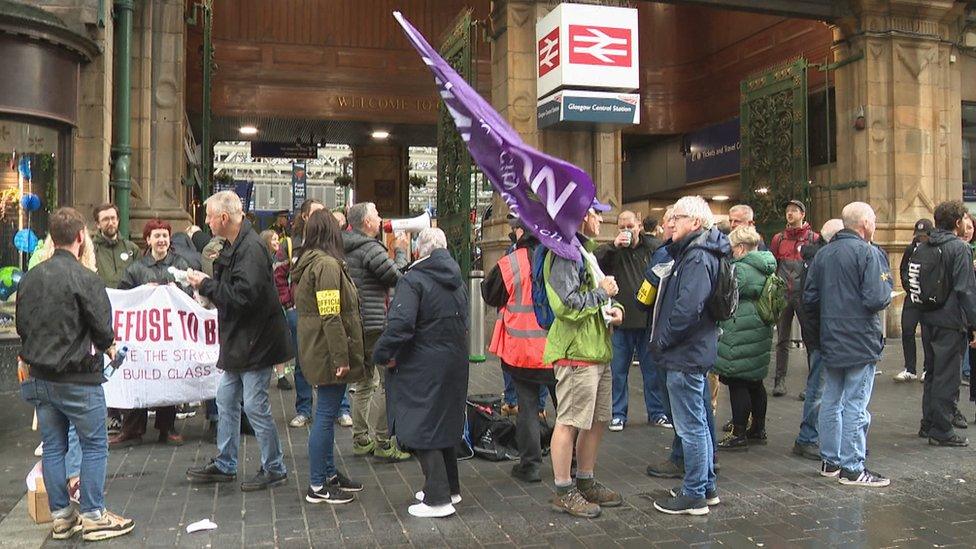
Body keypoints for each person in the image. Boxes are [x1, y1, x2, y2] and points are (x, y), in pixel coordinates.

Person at [18, 207, 135, 541]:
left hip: (40, 376)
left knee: (53, 447)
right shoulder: (86, 278)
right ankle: (94, 515)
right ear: (82, 236)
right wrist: (112, 347)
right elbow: (101, 327)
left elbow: (23, 326)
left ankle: (61, 517)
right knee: (94, 444)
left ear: (52, 238)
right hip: (77, 378)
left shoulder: (31, 278)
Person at [185, 191, 293, 491]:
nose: (206, 222)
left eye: (208, 216)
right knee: (226, 399)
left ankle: (274, 467)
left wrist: (206, 285)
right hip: (243, 341)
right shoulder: (239, 245)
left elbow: (243, 297)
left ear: (223, 218)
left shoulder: (251, 249)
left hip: (254, 342)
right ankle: (226, 462)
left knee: (255, 405)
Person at [372, 228, 469, 518]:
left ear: (419, 251)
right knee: (444, 423)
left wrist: (382, 354)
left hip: (421, 364)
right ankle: (450, 488)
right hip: (453, 361)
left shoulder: (413, 280)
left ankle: (438, 499)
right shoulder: (457, 279)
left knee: (421, 424)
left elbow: (401, 325)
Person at [545, 199, 624, 519]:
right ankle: (564, 490)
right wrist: (603, 293)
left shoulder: (584, 252)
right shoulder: (565, 254)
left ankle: (585, 481)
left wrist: (613, 311)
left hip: (595, 350)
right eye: (595, 213)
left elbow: (590, 300)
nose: (600, 219)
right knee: (570, 421)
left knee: (596, 419)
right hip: (577, 353)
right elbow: (566, 306)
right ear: (579, 217)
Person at [650, 196, 728, 516]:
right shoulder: (699, 251)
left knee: (691, 426)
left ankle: (694, 492)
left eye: (677, 218)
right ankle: (705, 486)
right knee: (696, 421)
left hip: (685, 352)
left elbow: (687, 308)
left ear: (695, 223)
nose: (671, 223)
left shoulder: (696, 257)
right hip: (692, 350)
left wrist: (663, 340)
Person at [805, 202, 892, 486]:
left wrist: (818, 335)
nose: (875, 224)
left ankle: (830, 461)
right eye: (875, 220)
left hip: (831, 337)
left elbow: (810, 300)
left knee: (832, 398)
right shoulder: (869, 253)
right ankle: (853, 467)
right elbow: (876, 298)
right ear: (865, 223)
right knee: (856, 403)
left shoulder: (823, 254)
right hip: (860, 339)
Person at [292, 210, 366, 505]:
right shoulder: (326, 266)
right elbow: (331, 314)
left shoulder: (311, 262)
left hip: (317, 347)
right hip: (328, 351)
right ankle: (318, 485)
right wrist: (341, 357)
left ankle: (329, 474)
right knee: (325, 416)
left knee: (326, 413)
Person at [483, 216, 553, 483]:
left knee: (527, 407)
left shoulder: (512, 261)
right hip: (558, 347)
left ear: (521, 231)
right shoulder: (559, 256)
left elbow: (490, 294)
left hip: (523, 348)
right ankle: (571, 461)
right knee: (567, 409)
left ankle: (530, 465)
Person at [110, 219, 193, 448]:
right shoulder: (137, 268)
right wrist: (143, 291)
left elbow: (190, 292)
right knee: (139, 378)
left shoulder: (180, 263)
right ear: (148, 240)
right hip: (142, 336)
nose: (162, 240)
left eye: (165, 235)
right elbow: (123, 296)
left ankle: (167, 427)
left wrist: (177, 290)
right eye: (157, 236)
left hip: (170, 334)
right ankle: (133, 428)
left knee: (167, 377)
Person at [343, 202, 411, 462]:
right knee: (388, 382)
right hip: (376, 324)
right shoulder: (370, 249)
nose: (381, 217)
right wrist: (401, 251)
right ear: (367, 223)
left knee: (362, 381)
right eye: (377, 214)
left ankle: (361, 437)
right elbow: (397, 276)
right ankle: (383, 441)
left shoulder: (345, 245)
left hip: (356, 323)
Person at [594, 210, 669, 431]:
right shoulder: (613, 251)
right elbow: (595, 260)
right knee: (618, 371)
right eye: (622, 227)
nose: (626, 231)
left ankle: (657, 412)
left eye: (630, 227)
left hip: (647, 321)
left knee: (651, 371)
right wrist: (614, 245)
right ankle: (618, 413)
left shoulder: (652, 247)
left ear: (639, 225)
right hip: (621, 322)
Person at [916, 201, 976, 446]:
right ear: (957, 222)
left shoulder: (925, 245)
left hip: (927, 316)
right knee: (947, 376)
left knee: (932, 371)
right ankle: (941, 429)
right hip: (950, 320)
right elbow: (965, 290)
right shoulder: (959, 248)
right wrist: (974, 323)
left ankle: (928, 422)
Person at [713, 225, 776, 451]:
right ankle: (758, 428)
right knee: (755, 382)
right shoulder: (766, 264)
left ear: (740, 248)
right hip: (759, 328)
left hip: (739, 330)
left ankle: (738, 433)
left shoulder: (739, 270)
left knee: (738, 382)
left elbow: (722, 296)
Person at [792, 219, 844, 461]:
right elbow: (810, 302)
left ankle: (812, 436)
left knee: (822, 387)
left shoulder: (816, 258)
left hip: (819, 334)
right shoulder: (822, 260)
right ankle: (807, 437)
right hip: (823, 335)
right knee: (819, 388)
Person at [92, 203, 141, 436]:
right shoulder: (90, 249)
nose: (110, 223)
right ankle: (111, 411)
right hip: (101, 314)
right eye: (105, 219)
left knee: (126, 360)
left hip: (128, 316)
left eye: (113, 218)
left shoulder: (131, 248)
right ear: (98, 224)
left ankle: (129, 412)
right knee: (105, 361)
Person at [769, 200, 820, 397]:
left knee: (810, 340)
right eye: (788, 210)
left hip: (803, 294)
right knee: (782, 339)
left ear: (803, 214)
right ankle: (779, 381)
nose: (790, 214)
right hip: (784, 294)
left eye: (794, 211)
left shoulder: (813, 239)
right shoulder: (779, 239)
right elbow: (774, 264)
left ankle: (812, 384)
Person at [894, 219, 933, 382]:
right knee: (907, 330)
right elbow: (903, 268)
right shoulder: (911, 249)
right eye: (919, 236)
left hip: (927, 299)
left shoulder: (934, 250)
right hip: (912, 296)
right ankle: (910, 368)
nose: (920, 239)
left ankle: (928, 368)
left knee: (927, 334)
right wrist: (908, 285)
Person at [262, 229, 294, 391]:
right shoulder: (263, 259)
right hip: (270, 307)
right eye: (273, 239)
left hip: (279, 305)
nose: (276, 242)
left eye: (277, 239)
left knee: (280, 340)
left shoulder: (279, 257)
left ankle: (281, 376)